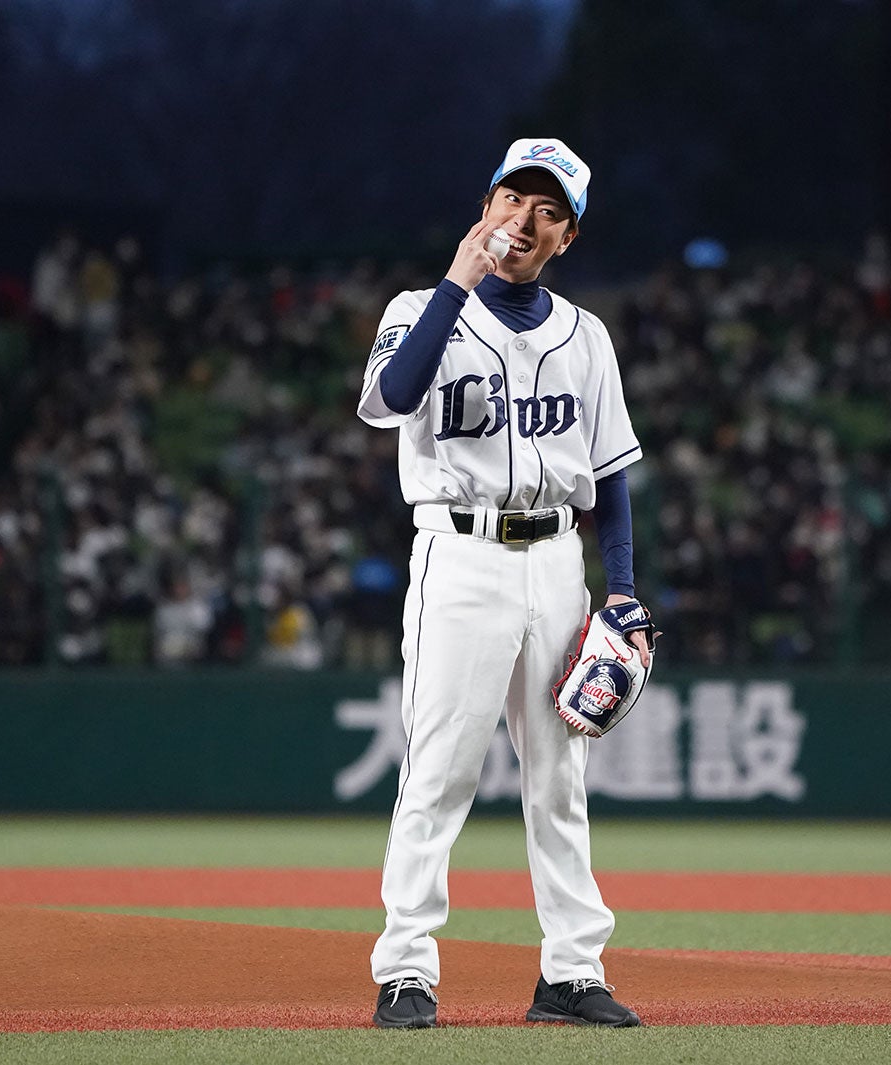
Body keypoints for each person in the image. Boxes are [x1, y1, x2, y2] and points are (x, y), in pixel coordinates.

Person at [356, 138, 648, 1029]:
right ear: (485, 204)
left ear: (567, 237)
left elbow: (610, 477)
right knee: (439, 770)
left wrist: (624, 592)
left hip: (558, 562)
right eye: (513, 200)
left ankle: (570, 970)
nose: (524, 221)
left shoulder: (585, 336)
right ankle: (406, 968)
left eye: (548, 210)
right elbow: (395, 396)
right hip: (461, 552)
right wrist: (456, 279)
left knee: (559, 776)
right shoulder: (418, 309)